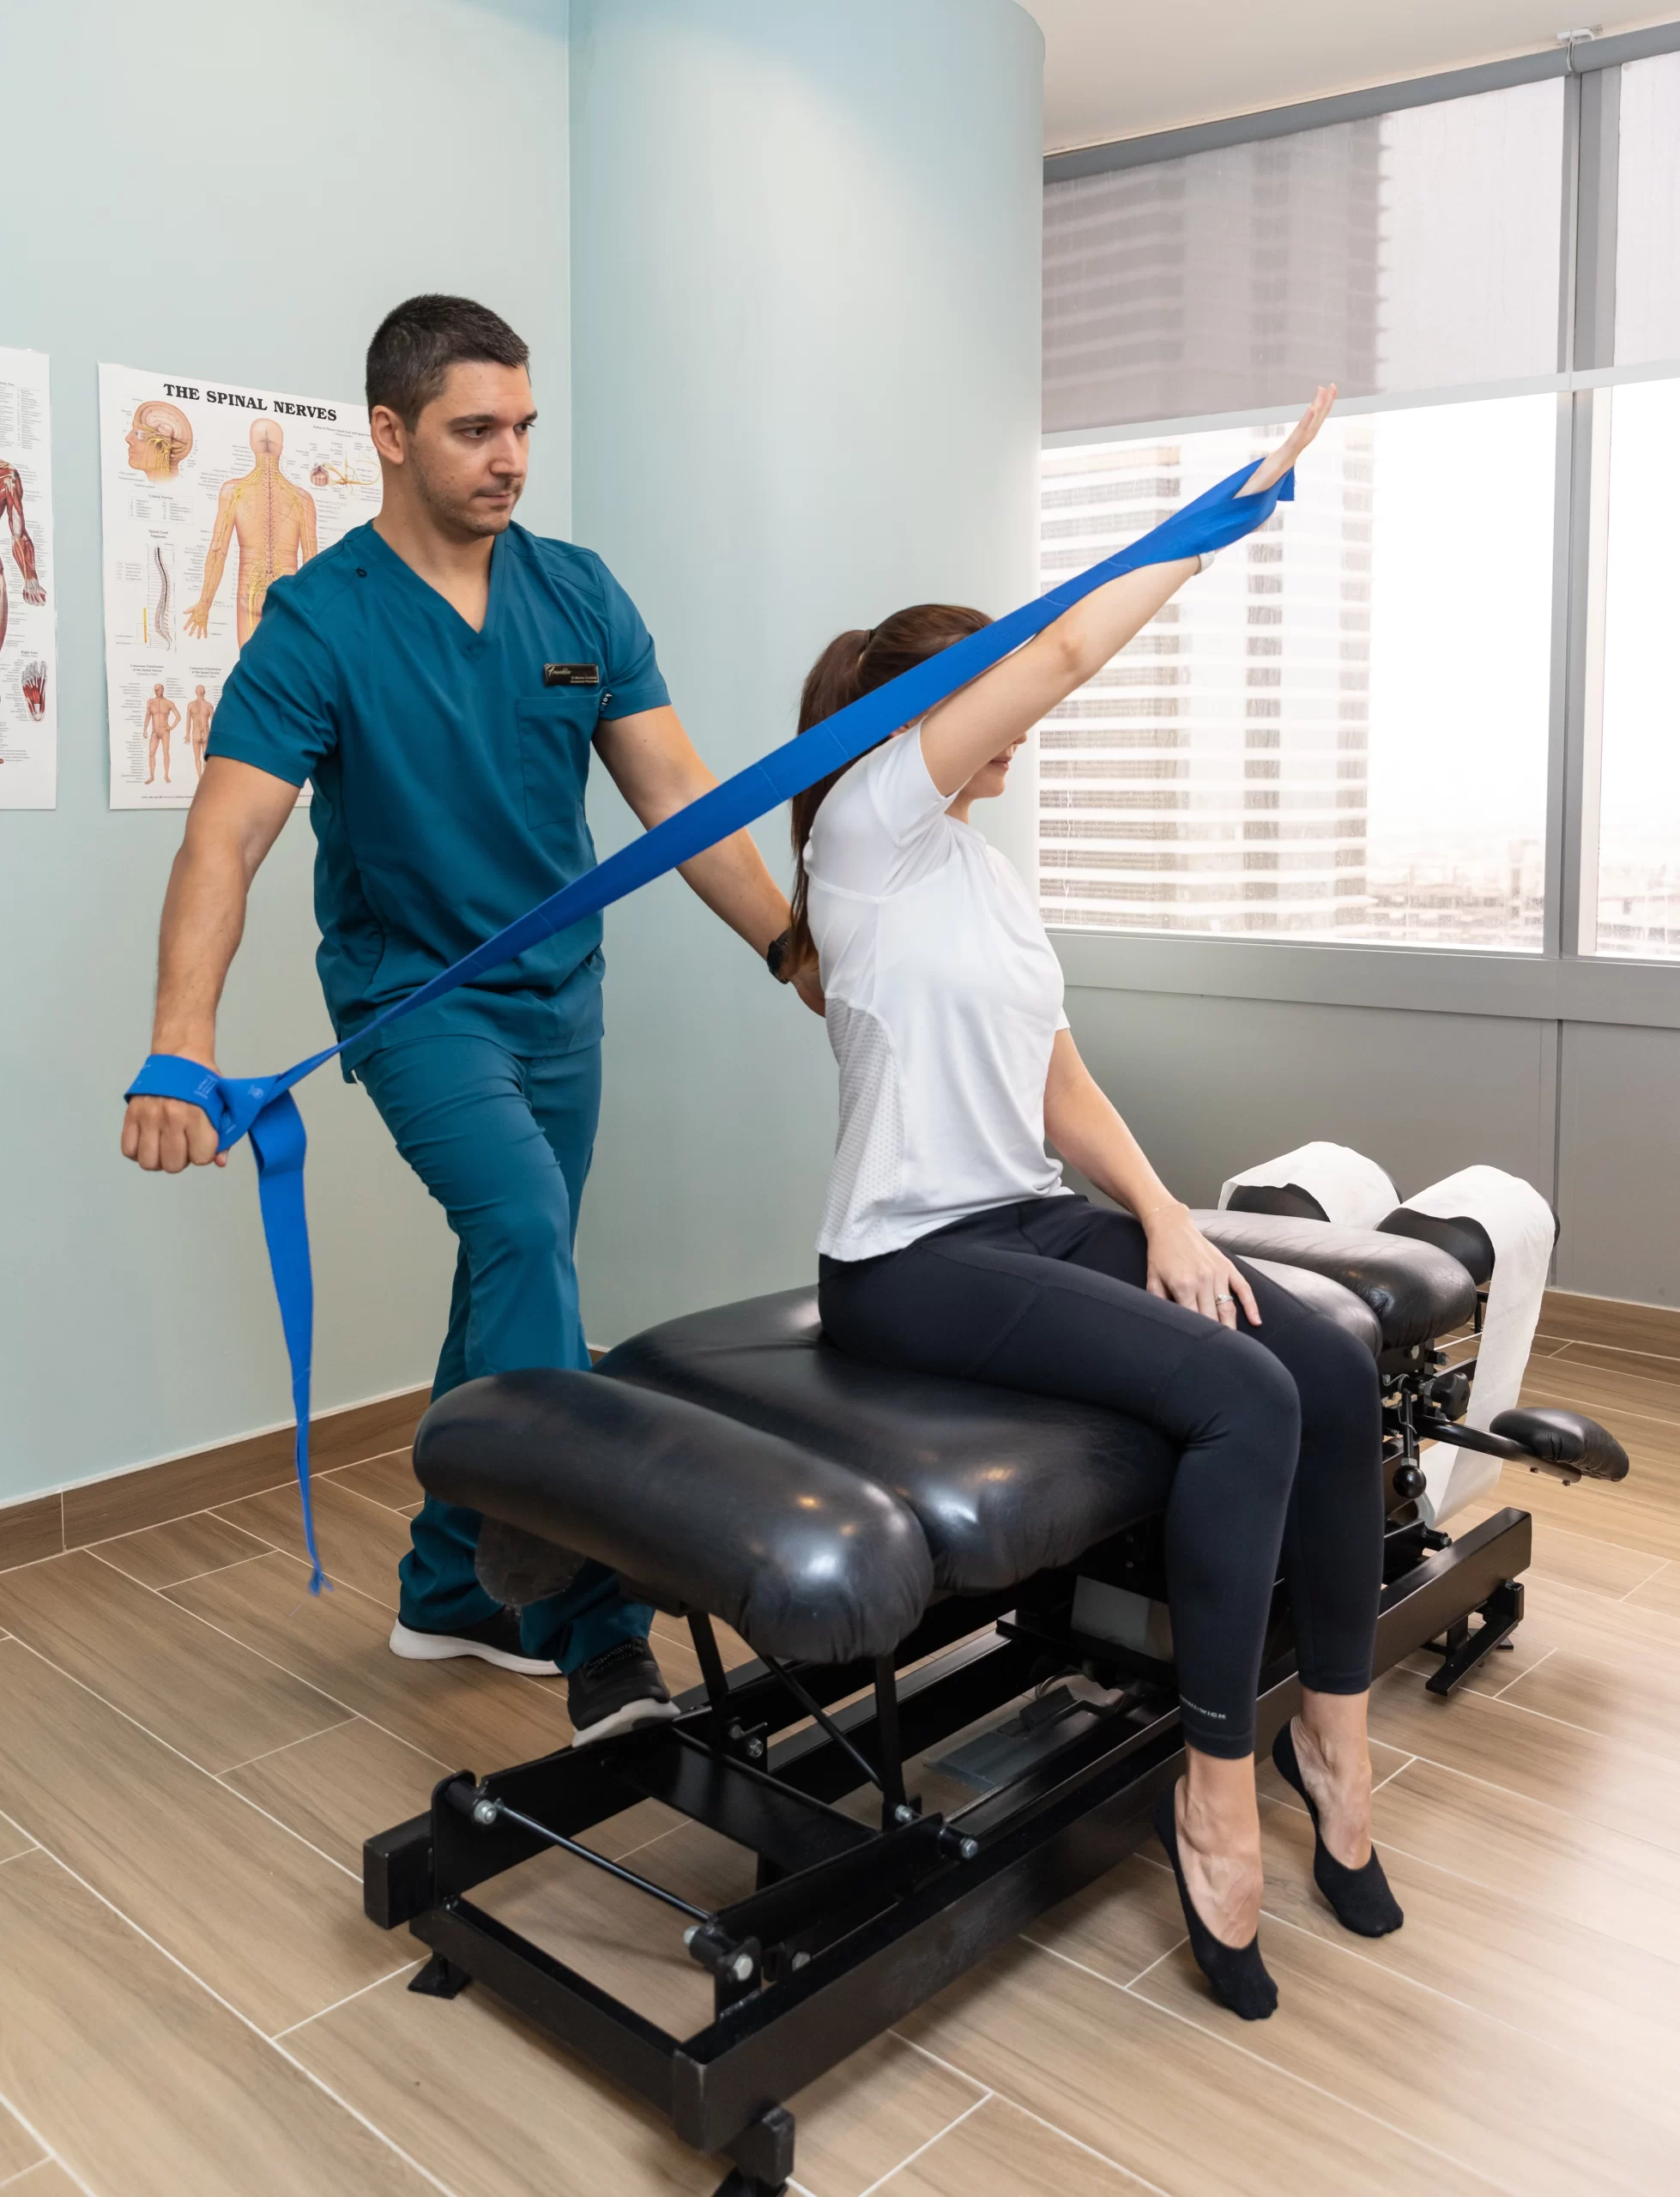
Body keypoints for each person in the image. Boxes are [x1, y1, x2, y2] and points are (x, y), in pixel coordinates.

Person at [121, 294, 818, 1745]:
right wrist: (178, 1043)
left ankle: (446, 1586)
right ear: (389, 434)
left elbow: (678, 797)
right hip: (413, 1003)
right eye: (474, 430)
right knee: (516, 1233)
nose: (509, 458)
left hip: (561, 998)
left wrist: (787, 951)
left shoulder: (576, 596)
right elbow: (225, 840)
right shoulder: (319, 623)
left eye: (522, 429)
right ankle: (594, 1632)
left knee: (515, 1271)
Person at [795, 386, 1402, 2019]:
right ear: (934, 709)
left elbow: (1057, 1078)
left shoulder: (983, 874)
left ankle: (1332, 1742)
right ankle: (1212, 1784)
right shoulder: (863, 831)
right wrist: (1221, 522)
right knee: (1239, 1397)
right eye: (991, 703)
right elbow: (1055, 659)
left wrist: (1164, 1216)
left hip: (1023, 1217)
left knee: (1331, 1357)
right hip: (907, 1259)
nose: (1025, 728)